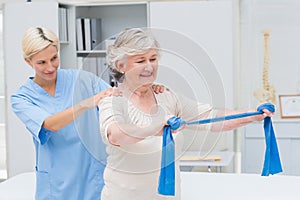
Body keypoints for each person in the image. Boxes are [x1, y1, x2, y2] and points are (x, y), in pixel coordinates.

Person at [98, 28, 274, 200]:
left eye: (153, 59)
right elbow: (117, 135)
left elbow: (211, 118)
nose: (149, 66)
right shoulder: (112, 100)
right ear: (121, 66)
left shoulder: (166, 96)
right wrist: (155, 126)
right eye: (140, 61)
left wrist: (252, 115)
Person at [10, 26, 166, 200]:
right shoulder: (21, 98)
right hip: (57, 182)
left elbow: (120, 99)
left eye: (54, 58)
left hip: (93, 175)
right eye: (41, 62)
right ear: (28, 61)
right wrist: (85, 104)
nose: (50, 67)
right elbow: (49, 125)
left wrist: (145, 89)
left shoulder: (83, 80)